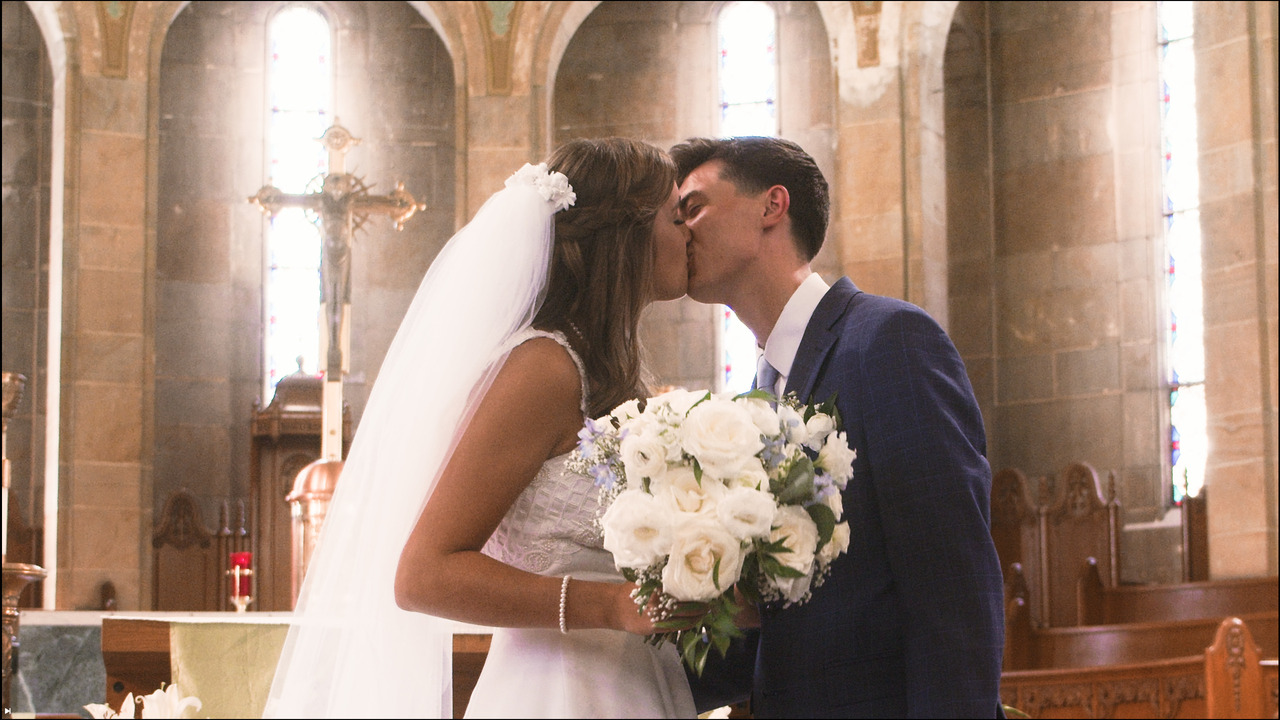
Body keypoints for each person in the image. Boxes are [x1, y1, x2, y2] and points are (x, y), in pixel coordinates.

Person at [264, 137, 697, 718]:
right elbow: (422, 575)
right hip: (557, 692)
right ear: (626, 235)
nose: (689, 232)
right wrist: (610, 606)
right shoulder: (544, 368)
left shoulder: (602, 370)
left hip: (625, 680)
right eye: (676, 216)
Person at [670, 136, 1005, 718]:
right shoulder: (755, 396)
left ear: (772, 206)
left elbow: (953, 590)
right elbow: (776, 627)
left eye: (693, 208)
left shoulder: (889, 341)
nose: (680, 232)